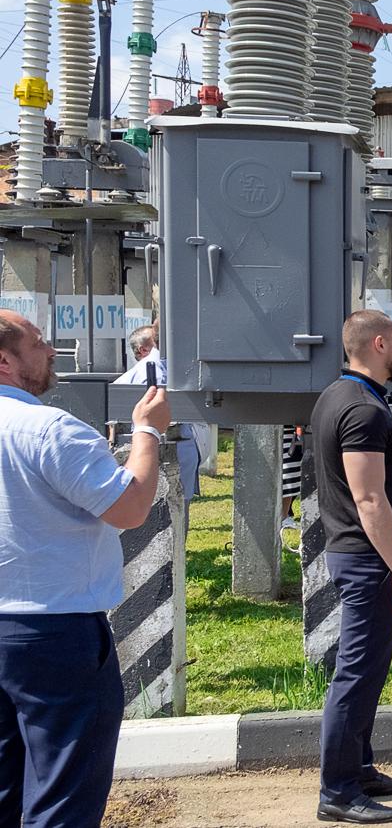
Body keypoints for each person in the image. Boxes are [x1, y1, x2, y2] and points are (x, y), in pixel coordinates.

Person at [0, 309, 170, 827]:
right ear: (5, 362)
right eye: (39, 344)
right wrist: (148, 434)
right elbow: (130, 506)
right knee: (63, 794)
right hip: (55, 631)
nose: (53, 352)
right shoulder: (47, 428)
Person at [309, 310, 392, 824]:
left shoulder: (349, 398)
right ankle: (337, 790)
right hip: (367, 558)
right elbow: (370, 498)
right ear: (379, 343)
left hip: (360, 555)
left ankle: (358, 768)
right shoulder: (360, 408)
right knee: (356, 674)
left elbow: (384, 452)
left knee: (369, 671)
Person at [114, 321, 206, 506]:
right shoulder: (154, 370)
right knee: (170, 514)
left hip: (174, 448)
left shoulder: (165, 366)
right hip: (163, 450)